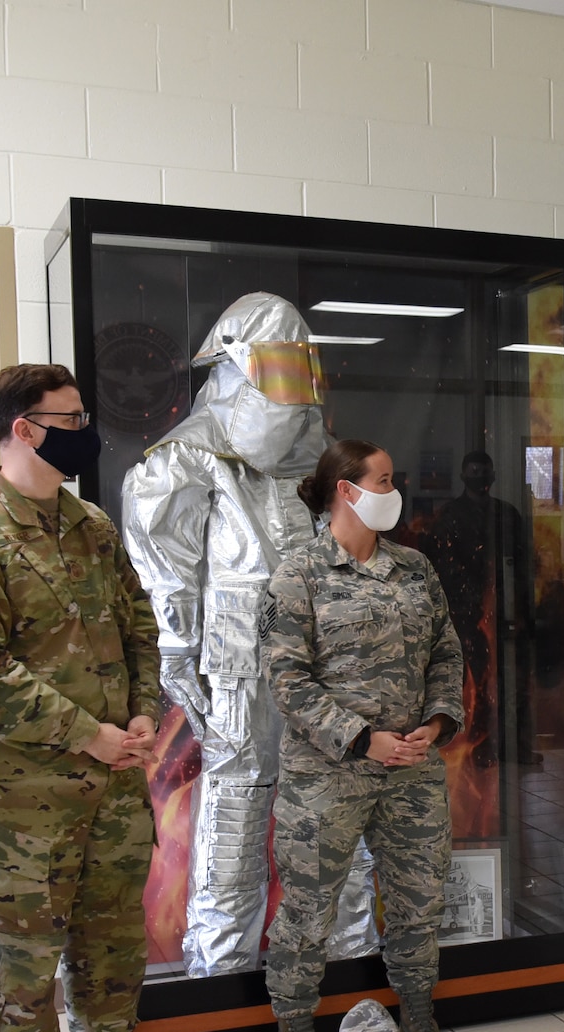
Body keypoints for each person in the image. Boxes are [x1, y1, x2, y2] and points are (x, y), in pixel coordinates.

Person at [0, 364, 197, 1032]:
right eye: (69, 416)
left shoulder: (92, 529)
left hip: (116, 779)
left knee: (113, 930)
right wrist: (90, 734)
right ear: (23, 428)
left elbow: (141, 630)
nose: (86, 427)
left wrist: (145, 711)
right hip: (26, 795)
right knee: (27, 944)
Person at [122, 292, 375, 978]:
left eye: (301, 373)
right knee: (234, 818)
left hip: (322, 667)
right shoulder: (189, 458)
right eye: (277, 373)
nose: (289, 394)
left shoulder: (322, 460)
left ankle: (349, 975)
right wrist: (176, 650)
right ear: (236, 367)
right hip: (236, 667)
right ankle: (223, 981)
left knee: (334, 816)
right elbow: (163, 563)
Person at [264, 440, 466, 1032]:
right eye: (383, 478)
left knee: (417, 900)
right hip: (327, 776)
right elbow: (285, 678)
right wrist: (361, 739)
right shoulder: (298, 573)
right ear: (347, 491)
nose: (394, 487)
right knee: (309, 910)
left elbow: (446, 649)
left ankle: (417, 1021)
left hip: (411, 770)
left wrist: (436, 722)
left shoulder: (414, 569)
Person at [419, 449, 537, 769]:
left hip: (505, 611)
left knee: (511, 683)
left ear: (492, 475)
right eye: (473, 472)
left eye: (483, 472)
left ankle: (514, 747)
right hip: (465, 615)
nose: (479, 478)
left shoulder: (506, 514)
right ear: (463, 475)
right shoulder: (449, 517)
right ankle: (477, 747)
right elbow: (441, 567)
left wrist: (523, 610)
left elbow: (524, 564)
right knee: (477, 684)